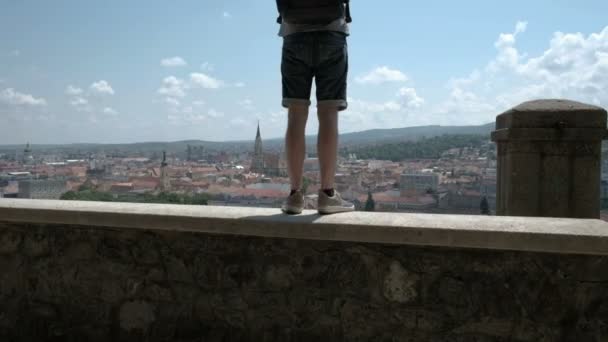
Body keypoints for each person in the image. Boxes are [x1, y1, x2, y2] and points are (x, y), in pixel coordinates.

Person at [277, 0, 355, 215]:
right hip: (332, 32)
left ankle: (294, 195)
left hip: (294, 34)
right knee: (328, 113)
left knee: (295, 115)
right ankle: (327, 194)